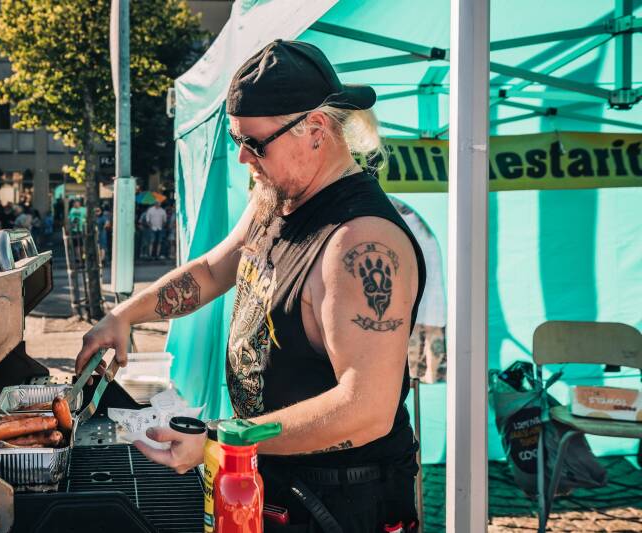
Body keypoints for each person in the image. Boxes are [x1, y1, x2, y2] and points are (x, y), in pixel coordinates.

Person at [75, 40, 427, 532]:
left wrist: (223, 440)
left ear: (315, 130)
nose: (243, 158)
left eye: (255, 144)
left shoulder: (360, 243)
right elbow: (211, 270)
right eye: (236, 140)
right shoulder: (276, 197)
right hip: (275, 480)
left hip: (341, 504)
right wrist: (125, 315)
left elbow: (366, 409)